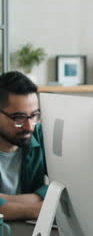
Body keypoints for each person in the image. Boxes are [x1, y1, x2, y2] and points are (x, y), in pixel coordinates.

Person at [0, 71, 47, 220]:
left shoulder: (40, 135)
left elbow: (69, 184)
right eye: (18, 117)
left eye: (34, 115)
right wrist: (34, 210)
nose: (29, 126)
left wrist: (6, 200)